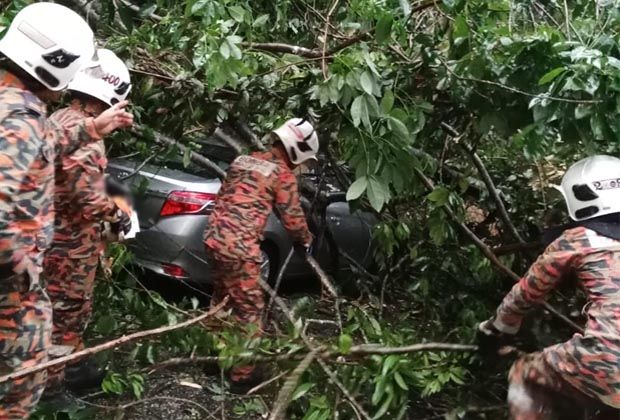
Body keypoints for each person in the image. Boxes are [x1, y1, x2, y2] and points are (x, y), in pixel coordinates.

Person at [0, 3, 132, 417]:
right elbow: (86, 194)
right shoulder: (20, 118)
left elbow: (42, 148)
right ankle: (53, 390)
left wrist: (93, 128)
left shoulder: (25, 110)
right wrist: (20, 273)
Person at [478, 155, 620, 419]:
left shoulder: (578, 240)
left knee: (526, 373)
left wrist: (498, 327)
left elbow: (526, 293)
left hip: (609, 360)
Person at [43, 49, 133, 396]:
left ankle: (70, 365)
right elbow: (88, 199)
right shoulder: (88, 141)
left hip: (47, 235)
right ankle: (51, 387)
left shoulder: (57, 120)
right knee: (66, 313)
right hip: (70, 247)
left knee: (48, 308)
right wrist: (117, 216)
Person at [204, 118, 317, 392]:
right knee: (250, 310)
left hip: (214, 240)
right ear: (297, 150)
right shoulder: (282, 175)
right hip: (240, 249)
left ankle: (212, 358)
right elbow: (293, 220)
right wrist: (306, 241)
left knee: (221, 299)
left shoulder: (243, 160)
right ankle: (242, 376)